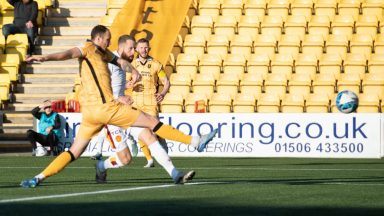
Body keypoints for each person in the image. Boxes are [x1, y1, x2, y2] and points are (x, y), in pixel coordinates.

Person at [20, 25, 218, 188]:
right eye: (107, 39)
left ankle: (38, 177)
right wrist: (45, 57)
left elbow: (118, 61)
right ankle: (194, 142)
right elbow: (69, 53)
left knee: (78, 152)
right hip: (109, 109)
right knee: (151, 123)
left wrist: (132, 70)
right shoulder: (87, 48)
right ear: (98, 39)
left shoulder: (104, 54)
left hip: (90, 115)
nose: (109, 42)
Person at [93, 35, 196, 184]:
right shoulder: (108, 63)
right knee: (125, 159)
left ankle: (176, 174)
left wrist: (132, 80)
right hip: (111, 116)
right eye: (132, 48)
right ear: (121, 47)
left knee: (150, 136)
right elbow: (100, 90)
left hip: (127, 111)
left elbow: (160, 81)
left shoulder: (131, 63)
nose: (134, 52)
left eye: (136, 48)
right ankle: (101, 166)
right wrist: (118, 98)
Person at [129, 38, 170, 168]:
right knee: (140, 132)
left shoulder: (156, 64)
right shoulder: (131, 65)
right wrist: (128, 84)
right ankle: (149, 159)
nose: (144, 50)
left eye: (146, 47)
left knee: (156, 130)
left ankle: (164, 151)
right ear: (136, 49)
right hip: (136, 102)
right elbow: (124, 83)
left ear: (149, 48)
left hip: (151, 102)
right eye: (141, 47)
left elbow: (166, 82)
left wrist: (162, 94)